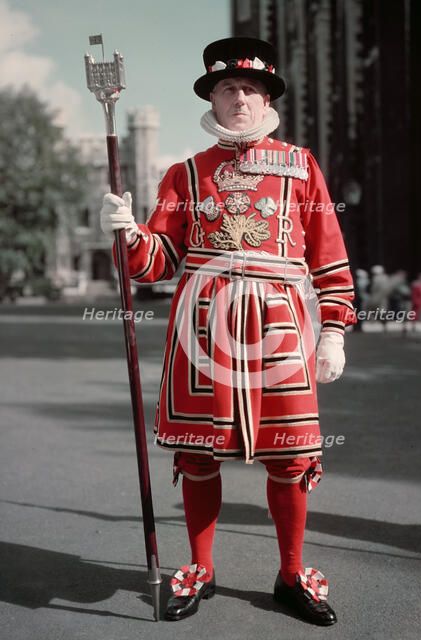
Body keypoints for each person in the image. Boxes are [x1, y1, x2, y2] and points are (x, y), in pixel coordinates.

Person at [100, 37, 356, 626]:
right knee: (196, 454)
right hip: (202, 328)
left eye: (250, 89)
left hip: (281, 326)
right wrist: (129, 234)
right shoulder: (184, 174)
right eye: (227, 88)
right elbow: (158, 263)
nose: (239, 98)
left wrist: (334, 330)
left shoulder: (301, 165)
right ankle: (200, 567)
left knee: (291, 457)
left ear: (266, 98)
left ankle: (292, 572)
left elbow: (329, 255)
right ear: (211, 99)